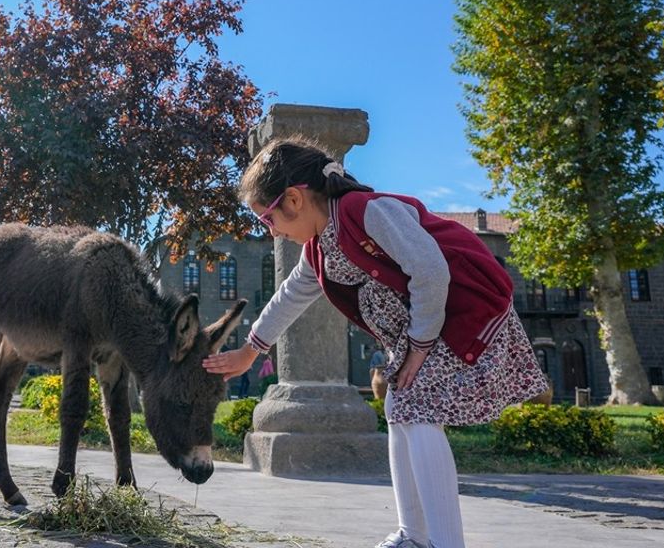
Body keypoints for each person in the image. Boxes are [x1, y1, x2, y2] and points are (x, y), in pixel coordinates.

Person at [202, 137, 547, 548]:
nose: (271, 230)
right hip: (425, 332)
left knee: (414, 409)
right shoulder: (318, 249)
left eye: (267, 219)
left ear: (293, 199)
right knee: (399, 406)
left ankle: (441, 541)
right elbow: (290, 296)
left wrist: (417, 348)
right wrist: (251, 349)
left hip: (462, 312)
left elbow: (431, 272)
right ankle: (414, 535)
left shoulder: (366, 211)